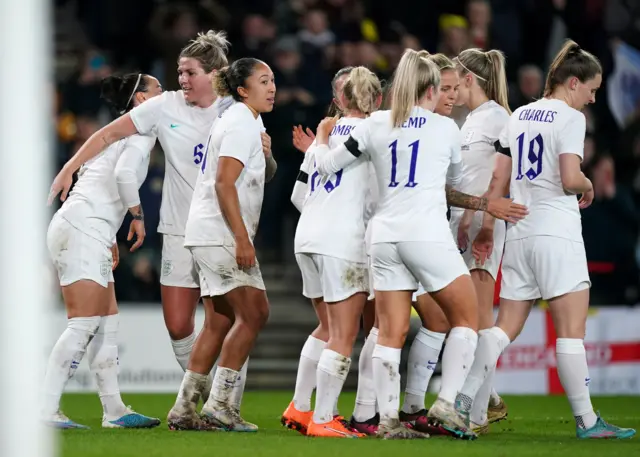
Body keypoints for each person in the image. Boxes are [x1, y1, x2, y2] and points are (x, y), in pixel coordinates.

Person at [48, 31, 275, 405]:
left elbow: (262, 173)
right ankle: (202, 395)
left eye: (189, 72)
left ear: (214, 73)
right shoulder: (165, 106)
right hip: (177, 229)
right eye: (179, 72)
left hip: (223, 230)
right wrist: (69, 168)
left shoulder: (237, 110)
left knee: (233, 318)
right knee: (178, 325)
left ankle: (225, 401)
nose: (181, 79)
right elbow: (107, 135)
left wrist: (266, 156)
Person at [456, 40, 636, 440]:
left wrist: (486, 224)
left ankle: (463, 402)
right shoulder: (570, 118)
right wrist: (588, 185)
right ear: (573, 83)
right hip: (557, 232)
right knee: (571, 332)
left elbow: (498, 179)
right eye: (591, 89)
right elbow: (570, 178)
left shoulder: (517, 115)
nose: (592, 98)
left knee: (504, 329)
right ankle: (587, 422)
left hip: (519, 232)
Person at [313, 49, 482, 440]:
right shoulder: (445, 128)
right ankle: (447, 403)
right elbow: (452, 178)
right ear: (430, 88)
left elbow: (327, 165)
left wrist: (322, 139)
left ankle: (388, 421)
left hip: (384, 235)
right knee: (467, 318)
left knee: (390, 333)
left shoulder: (374, 123)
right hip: (425, 232)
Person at [44, 73, 163, 429]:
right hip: (83, 227)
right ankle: (44, 409)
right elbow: (125, 176)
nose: (167, 92)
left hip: (86, 226)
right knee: (83, 324)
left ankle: (114, 410)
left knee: (107, 322)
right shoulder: (141, 133)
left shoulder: (118, 133)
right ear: (142, 101)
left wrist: (110, 234)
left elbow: (97, 182)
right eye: (159, 89)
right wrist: (136, 216)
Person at [166, 57, 276, 432]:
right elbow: (224, 184)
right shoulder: (240, 123)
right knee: (256, 312)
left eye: (273, 80)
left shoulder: (247, 122)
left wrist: (269, 153)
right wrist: (242, 239)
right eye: (264, 81)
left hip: (208, 232)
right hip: (221, 234)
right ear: (243, 89)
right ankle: (221, 405)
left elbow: (256, 174)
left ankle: (184, 409)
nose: (272, 87)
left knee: (220, 320)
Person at [282, 66, 383, 438]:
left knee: (326, 328)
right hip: (342, 240)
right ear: (378, 99)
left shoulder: (326, 135)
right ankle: (324, 418)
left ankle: (300, 406)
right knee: (343, 333)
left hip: (306, 235)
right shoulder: (373, 133)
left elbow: (298, 194)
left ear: (340, 98)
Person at [440, 47, 513, 433]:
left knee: (481, 318)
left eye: (455, 79)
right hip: (464, 225)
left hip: (486, 228)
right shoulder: (470, 121)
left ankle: (478, 413)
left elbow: (498, 178)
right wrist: (465, 218)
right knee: (464, 319)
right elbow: (471, 180)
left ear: (469, 79)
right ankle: (490, 398)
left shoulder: (498, 118)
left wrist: (483, 224)